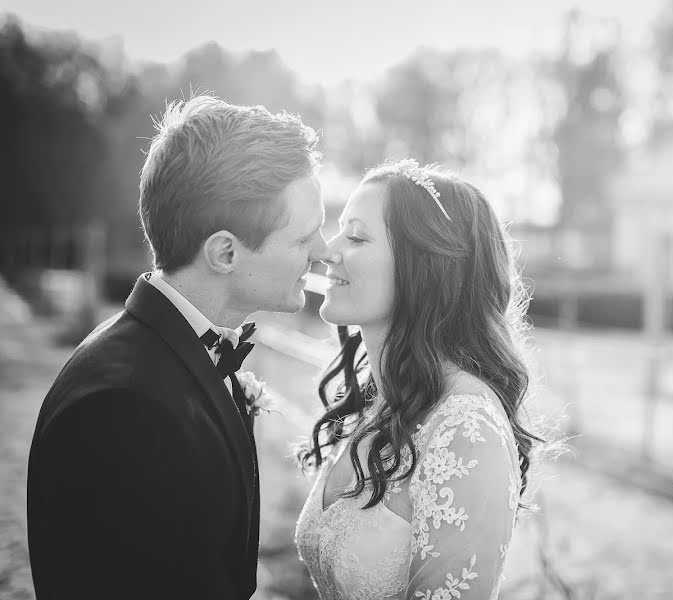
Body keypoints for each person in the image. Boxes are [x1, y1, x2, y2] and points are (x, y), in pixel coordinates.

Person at [27, 95, 327, 599]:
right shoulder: (122, 407)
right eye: (304, 239)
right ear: (225, 252)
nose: (321, 252)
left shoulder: (175, 352)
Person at [295, 159, 541, 599]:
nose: (326, 250)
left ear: (423, 268)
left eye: (355, 236)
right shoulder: (379, 401)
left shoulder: (465, 430)